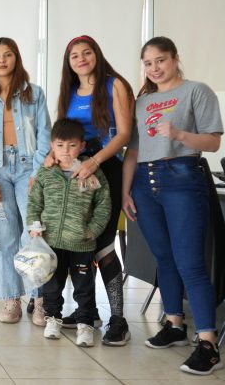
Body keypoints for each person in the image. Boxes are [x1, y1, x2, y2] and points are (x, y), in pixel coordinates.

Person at [123, 36, 224, 375]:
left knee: (189, 263)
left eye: (161, 60)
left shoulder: (197, 91)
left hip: (181, 176)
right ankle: (175, 324)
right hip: (143, 181)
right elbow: (133, 151)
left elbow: (212, 141)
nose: (155, 68)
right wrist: (126, 191)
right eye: (148, 63)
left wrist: (179, 134)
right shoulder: (142, 102)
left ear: (175, 58)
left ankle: (208, 344)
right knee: (163, 257)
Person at [54, 35, 134, 345]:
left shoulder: (115, 85)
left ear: (96, 55)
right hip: (76, 172)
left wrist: (95, 161)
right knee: (79, 241)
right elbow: (63, 133)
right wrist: (55, 156)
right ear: (69, 63)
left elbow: (124, 133)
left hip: (107, 168)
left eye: (87, 53)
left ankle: (118, 318)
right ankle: (88, 311)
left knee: (103, 243)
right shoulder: (70, 92)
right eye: (74, 55)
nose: (81, 58)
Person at [0, 37, 50, 325]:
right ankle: (12, 299)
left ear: (17, 58)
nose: (2, 60)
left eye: (7, 55)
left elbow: (44, 136)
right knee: (3, 237)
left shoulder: (34, 94)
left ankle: (39, 300)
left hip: (28, 168)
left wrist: (38, 173)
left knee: (34, 234)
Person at [28, 118, 111, 347]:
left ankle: (85, 324)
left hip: (82, 243)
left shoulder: (92, 172)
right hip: (51, 241)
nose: (66, 151)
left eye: (72, 145)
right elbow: (34, 203)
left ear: (82, 146)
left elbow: (103, 204)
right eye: (60, 145)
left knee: (84, 286)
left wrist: (93, 229)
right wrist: (34, 227)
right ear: (52, 146)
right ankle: (53, 318)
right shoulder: (45, 173)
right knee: (51, 284)